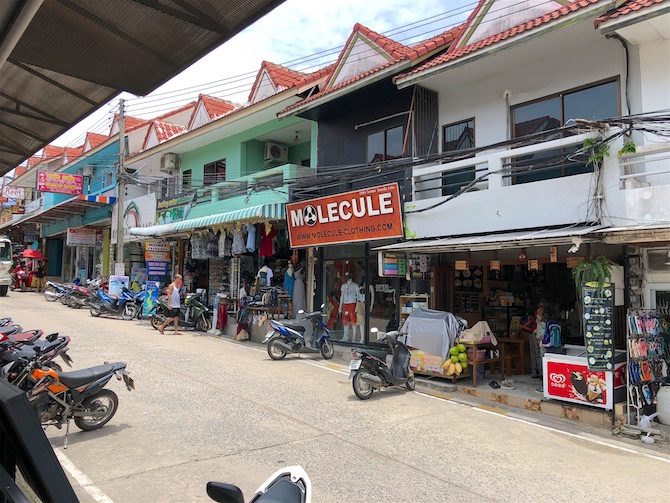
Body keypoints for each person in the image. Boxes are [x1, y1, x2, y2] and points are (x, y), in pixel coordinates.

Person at [338, 272, 359, 342]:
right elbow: (342, 296)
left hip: (352, 304)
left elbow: (358, 296)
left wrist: (357, 306)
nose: (347, 278)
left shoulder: (355, 286)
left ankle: (353, 337)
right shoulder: (343, 286)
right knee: (345, 321)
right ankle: (345, 336)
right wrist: (340, 306)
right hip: (345, 304)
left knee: (353, 320)